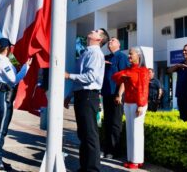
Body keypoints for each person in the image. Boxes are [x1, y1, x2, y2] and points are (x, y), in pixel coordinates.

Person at [64, 28, 110, 172]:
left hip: (89, 95)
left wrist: (68, 76)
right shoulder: (87, 52)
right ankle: (85, 167)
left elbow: (90, 77)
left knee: (90, 134)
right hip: (82, 95)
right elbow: (80, 78)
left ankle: (92, 169)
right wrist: (69, 95)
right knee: (83, 134)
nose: (92, 30)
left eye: (96, 31)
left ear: (99, 39)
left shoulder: (96, 54)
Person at [0, 38, 32, 170]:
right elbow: (13, 80)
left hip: (1, 95)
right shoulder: (2, 61)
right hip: (2, 95)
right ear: (8, 48)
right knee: (0, 130)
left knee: (2, 130)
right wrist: (26, 68)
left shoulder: (0, 60)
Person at [112, 46, 149, 170]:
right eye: (128, 54)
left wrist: (140, 105)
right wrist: (125, 74)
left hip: (137, 104)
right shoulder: (129, 70)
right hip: (127, 103)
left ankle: (137, 160)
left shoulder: (143, 71)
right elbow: (116, 77)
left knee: (137, 132)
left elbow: (143, 89)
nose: (129, 56)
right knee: (130, 132)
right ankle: (131, 158)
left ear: (138, 55)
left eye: (131, 54)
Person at [101, 37, 129, 159]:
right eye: (109, 41)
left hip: (116, 95)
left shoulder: (121, 57)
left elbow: (124, 77)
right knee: (107, 122)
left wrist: (119, 94)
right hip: (106, 94)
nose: (109, 42)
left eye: (113, 40)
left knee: (115, 123)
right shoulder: (106, 57)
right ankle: (106, 148)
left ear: (118, 44)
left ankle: (114, 151)